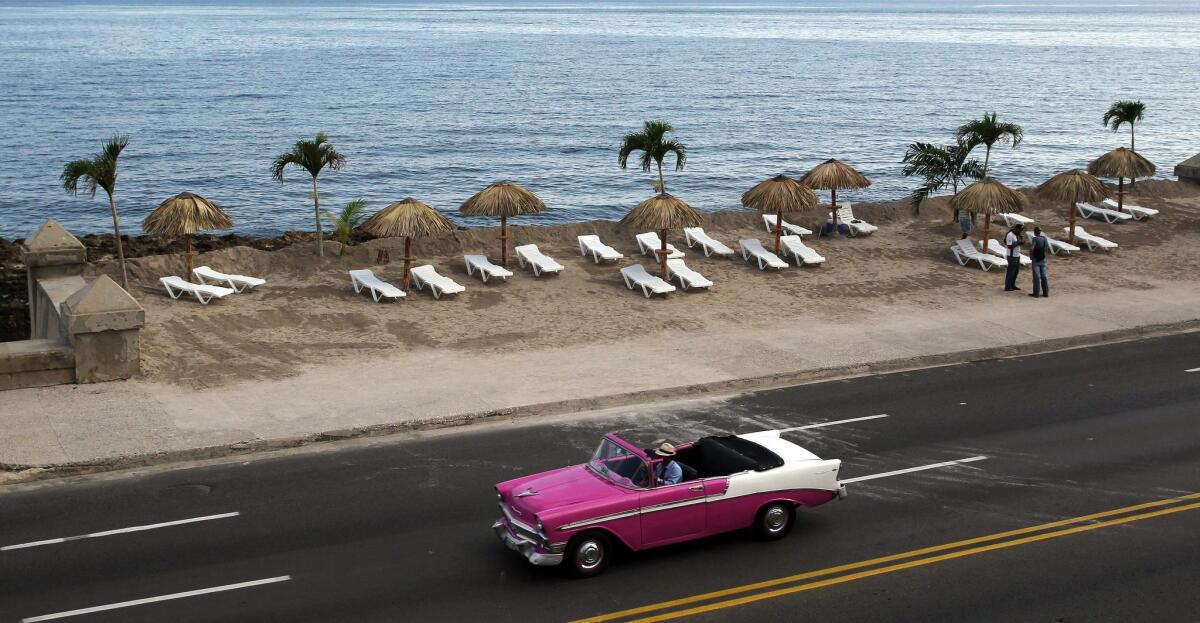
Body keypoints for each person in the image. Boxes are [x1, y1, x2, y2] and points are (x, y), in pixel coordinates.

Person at [1029, 226, 1049, 298]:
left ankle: (1036, 293)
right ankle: (1046, 293)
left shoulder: (1034, 239)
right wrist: (1044, 256)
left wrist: (1031, 256)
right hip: (1043, 259)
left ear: (1034, 232)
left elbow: (1032, 248)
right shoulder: (1044, 238)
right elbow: (1046, 248)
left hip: (1036, 259)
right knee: (1044, 276)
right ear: (1040, 232)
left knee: (1036, 277)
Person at [1004, 222, 1024, 292]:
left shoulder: (1017, 235)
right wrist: (1019, 243)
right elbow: (1009, 246)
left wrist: (1020, 241)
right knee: (1011, 271)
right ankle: (1007, 286)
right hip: (1011, 256)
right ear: (1016, 229)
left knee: (1016, 271)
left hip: (1017, 255)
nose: (1021, 232)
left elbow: (1017, 243)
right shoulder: (1010, 235)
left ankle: (1012, 285)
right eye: (1020, 230)